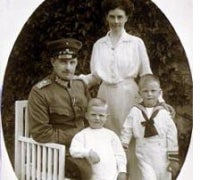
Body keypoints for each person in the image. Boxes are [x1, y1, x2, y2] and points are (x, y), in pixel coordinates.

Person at [27, 38, 92, 179]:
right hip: (55, 151)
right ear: (53, 62)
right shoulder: (40, 92)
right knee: (87, 171)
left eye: (72, 62)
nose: (68, 67)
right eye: (63, 62)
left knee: (113, 162)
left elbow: (90, 117)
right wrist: (78, 136)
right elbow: (41, 133)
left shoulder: (80, 85)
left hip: (84, 146)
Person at [120, 74, 180, 180]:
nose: (149, 94)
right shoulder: (135, 111)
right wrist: (122, 148)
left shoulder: (164, 113)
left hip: (162, 155)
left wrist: (173, 159)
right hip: (144, 154)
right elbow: (127, 130)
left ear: (159, 92)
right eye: (145, 91)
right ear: (139, 93)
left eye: (153, 91)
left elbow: (171, 135)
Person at [69, 98, 127, 180]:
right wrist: (88, 152)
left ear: (107, 117)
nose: (97, 118)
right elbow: (74, 150)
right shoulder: (82, 135)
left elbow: (119, 155)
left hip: (111, 176)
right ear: (87, 116)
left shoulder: (111, 135)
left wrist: (122, 171)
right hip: (92, 176)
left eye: (101, 115)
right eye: (93, 115)